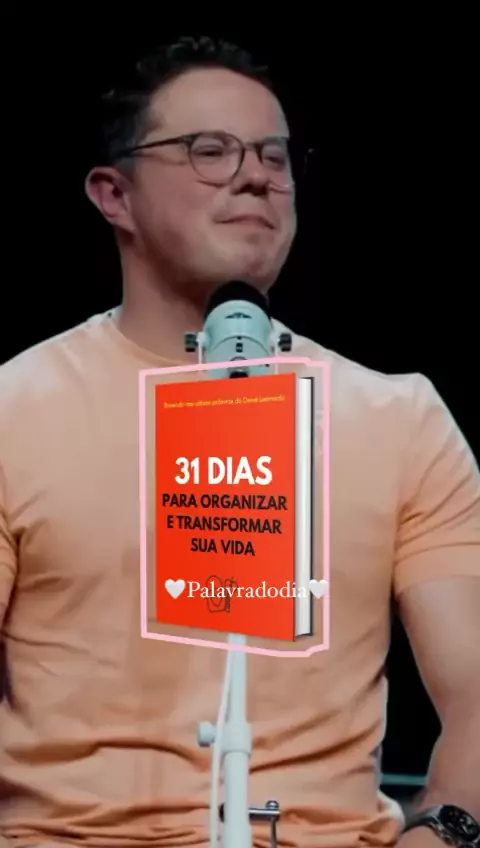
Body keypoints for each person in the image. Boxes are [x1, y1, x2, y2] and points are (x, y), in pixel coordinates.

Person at [0, 35, 479, 848]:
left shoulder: (398, 417)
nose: (255, 175)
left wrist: (444, 831)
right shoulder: (16, 411)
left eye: (273, 157)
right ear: (115, 195)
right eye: (209, 151)